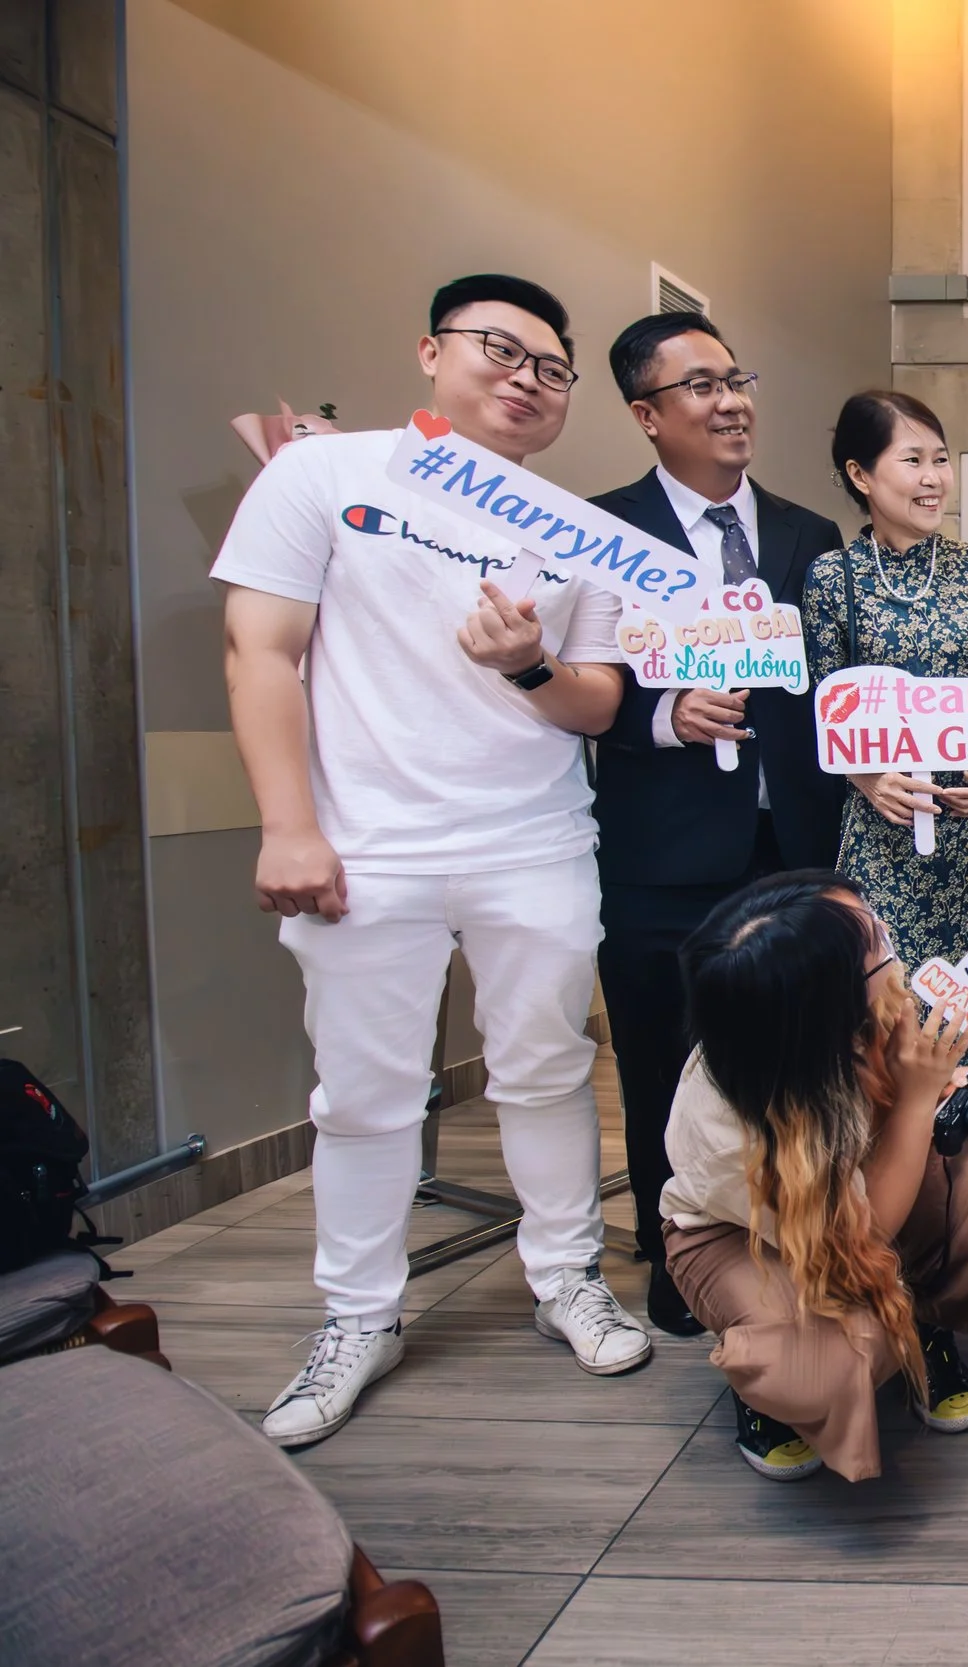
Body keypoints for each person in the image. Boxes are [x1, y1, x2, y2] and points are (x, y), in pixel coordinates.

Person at [219, 274, 651, 1450]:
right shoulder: (323, 474)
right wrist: (288, 824)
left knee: (546, 1069)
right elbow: (259, 650)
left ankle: (566, 1276)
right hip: (366, 847)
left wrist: (523, 664)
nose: (526, 378)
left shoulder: (577, 535)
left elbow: (597, 706)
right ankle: (359, 1314)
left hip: (533, 839)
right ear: (430, 351)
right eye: (499, 350)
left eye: (551, 368)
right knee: (361, 1097)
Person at [586, 311, 849, 1336]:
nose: (731, 400)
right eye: (700, 385)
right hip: (664, 845)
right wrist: (664, 712)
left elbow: (833, 685)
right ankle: (677, 1251)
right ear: (648, 414)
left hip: (794, 846)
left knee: (791, 1059)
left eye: (737, 378)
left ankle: (793, 1239)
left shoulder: (804, 534)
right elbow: (583, 681)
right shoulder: (600, 530)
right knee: (660, 1056)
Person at [662, 874, 968, 1479]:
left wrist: (935, 1085)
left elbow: (885, 1137)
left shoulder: (843, 1019)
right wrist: (919, 1102)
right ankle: (762, 1382)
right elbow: (859, 1236)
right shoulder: (726, 1126)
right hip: (740, 1239)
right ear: (824, 1009)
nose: (893, 946)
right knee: (819, 1362)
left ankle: (924, 1323)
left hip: (861, 1192)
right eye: (875, 943)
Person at [802, 391, 968, 1157]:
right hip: (885, 844)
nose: (934, 477)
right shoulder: (831, 578)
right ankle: (900, 1198)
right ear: (860, 474)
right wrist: (867, 779)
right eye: (912, 460)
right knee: (892, 1010)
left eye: (940, 458)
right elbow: (823, 704)